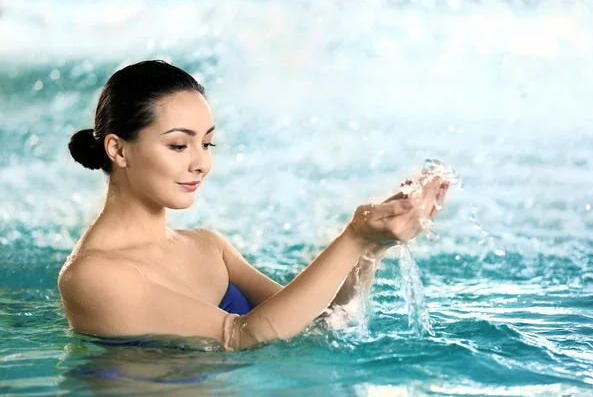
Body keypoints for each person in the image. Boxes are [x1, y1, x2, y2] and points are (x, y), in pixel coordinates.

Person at [58, 60, 450, 352]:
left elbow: (318, 325)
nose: (201, 162)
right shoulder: (93, 275)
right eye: (179, 145)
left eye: (207, 143)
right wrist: (353, 235)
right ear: (118, 149)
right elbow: (241, 336)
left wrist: (371, 248)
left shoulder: (208, 246)